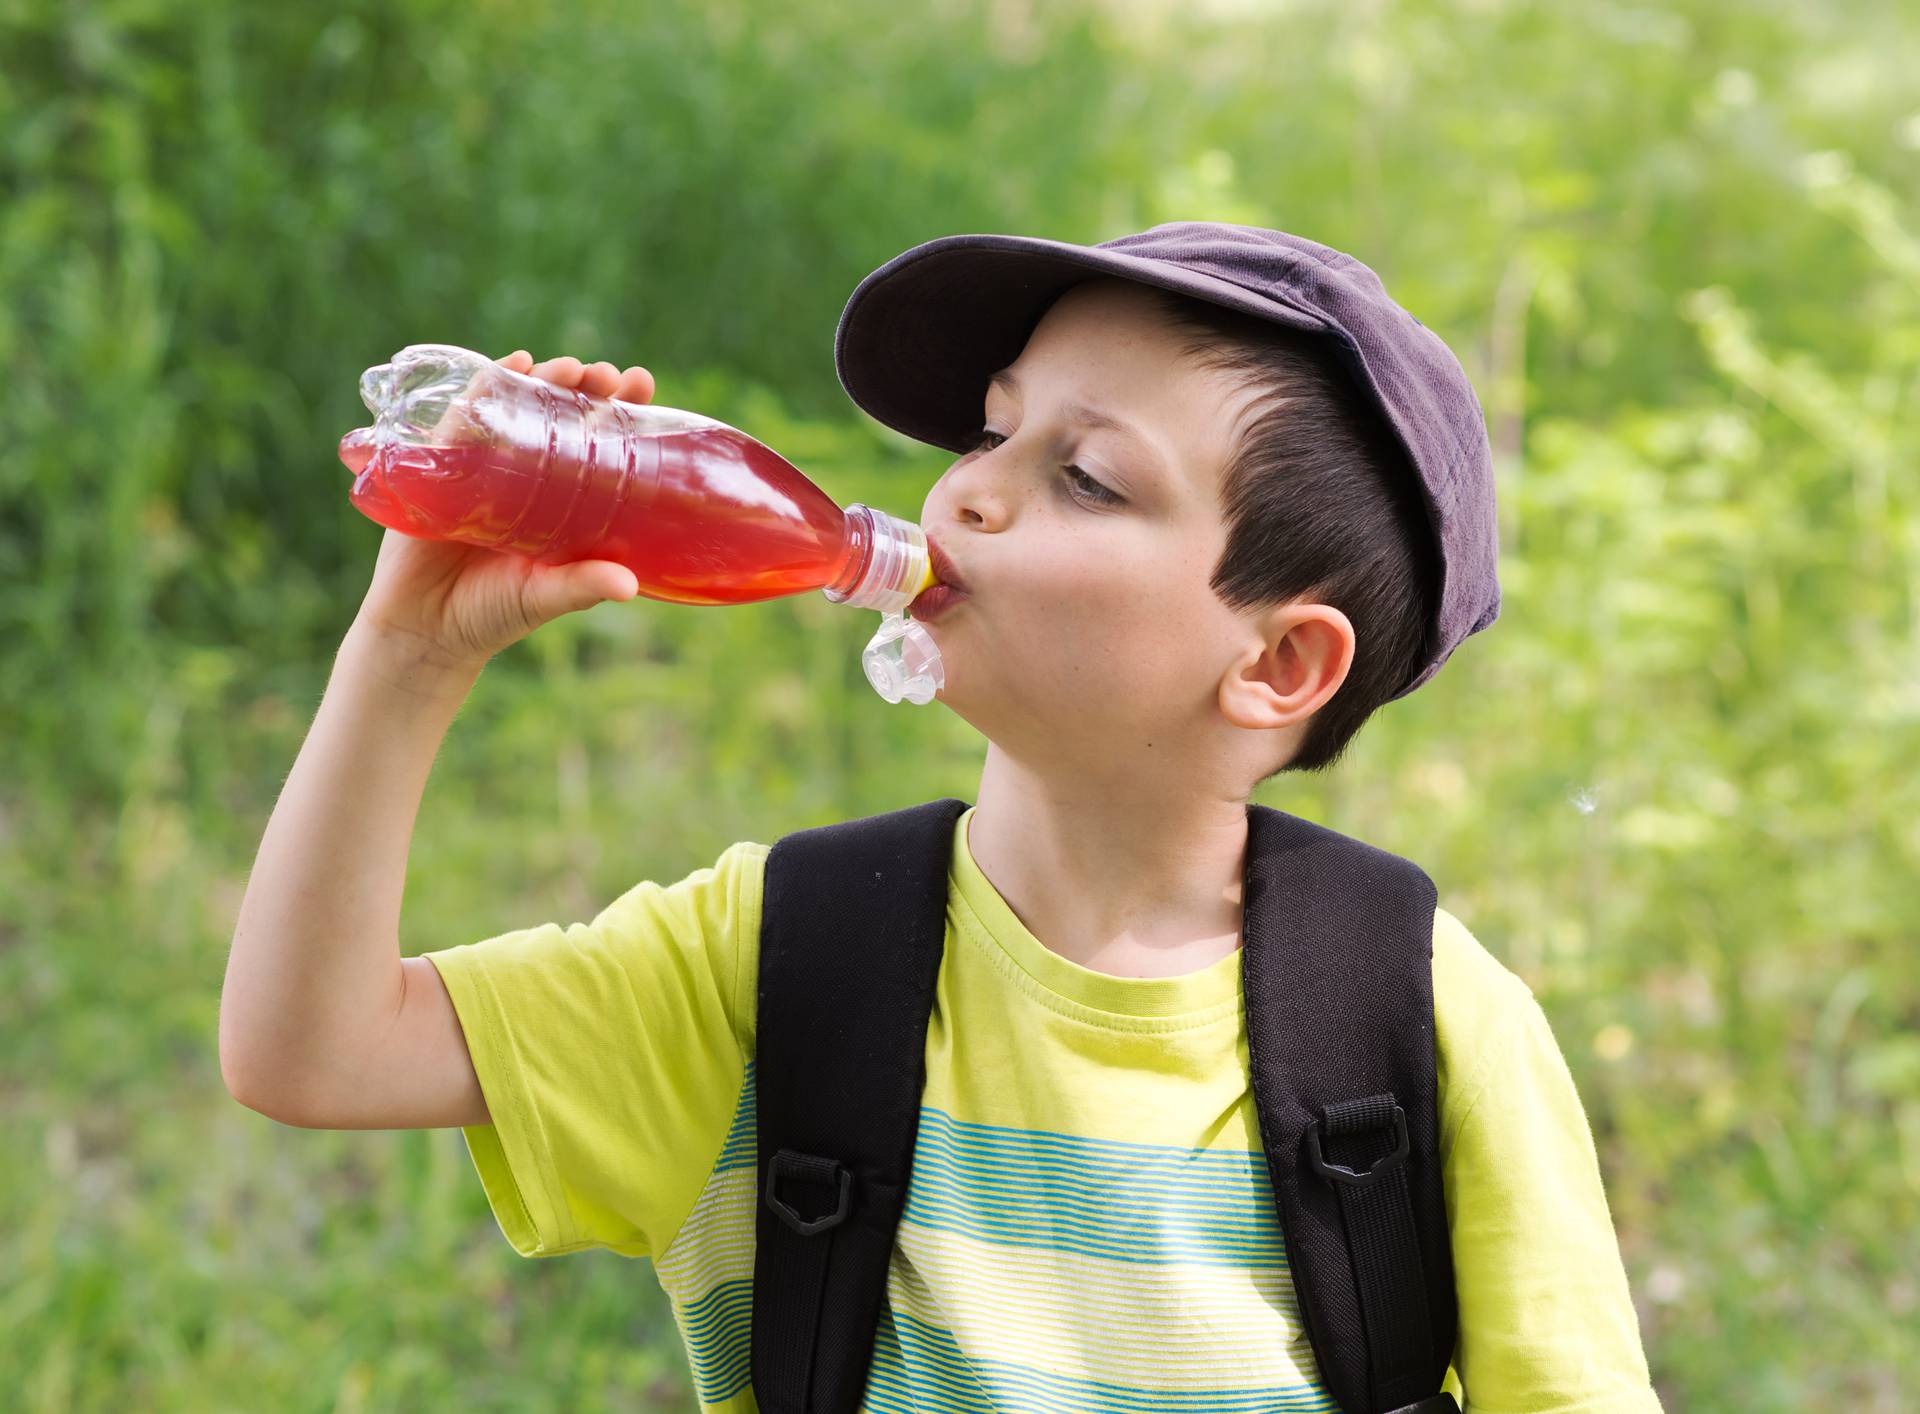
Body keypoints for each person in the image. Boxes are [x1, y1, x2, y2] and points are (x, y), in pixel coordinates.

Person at [220, 223, 1663, 1412]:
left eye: (1084, 475)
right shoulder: (785, 955)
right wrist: (406, 662)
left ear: (1278, 663)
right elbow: (312, 1047)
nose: (971, 492)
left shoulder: (1415, 1017)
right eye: (992, 429)